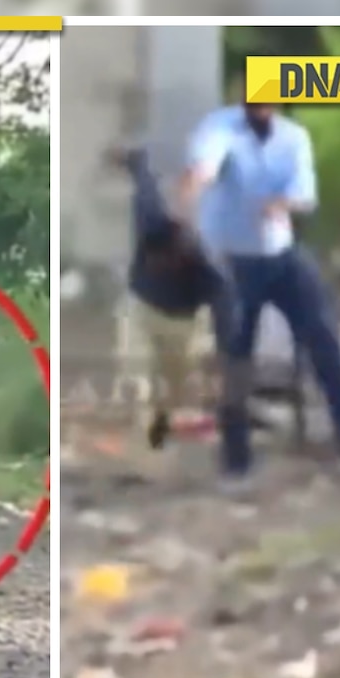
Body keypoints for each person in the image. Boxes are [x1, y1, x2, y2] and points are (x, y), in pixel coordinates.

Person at [177, 99, 340, 492]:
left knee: (323, 335)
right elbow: (205, 167)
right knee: (235, 357)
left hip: (280, 256)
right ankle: (236, 461)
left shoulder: (293, 138)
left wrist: (281, 204)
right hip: (231, 263)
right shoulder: (221, 127)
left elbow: (305, 195)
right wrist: (192, 190)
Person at [115, 146, 237, 450]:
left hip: (183, 324)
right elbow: (146, 188)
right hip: (141, 310)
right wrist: (136, 163)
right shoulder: (150, 223)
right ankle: (147, 426)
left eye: (170, 261)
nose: (163, 265)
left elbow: (224, 309)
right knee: (137, 369)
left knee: (175, 385)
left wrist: (227, 356)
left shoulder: (205, 270)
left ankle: (162, 420)